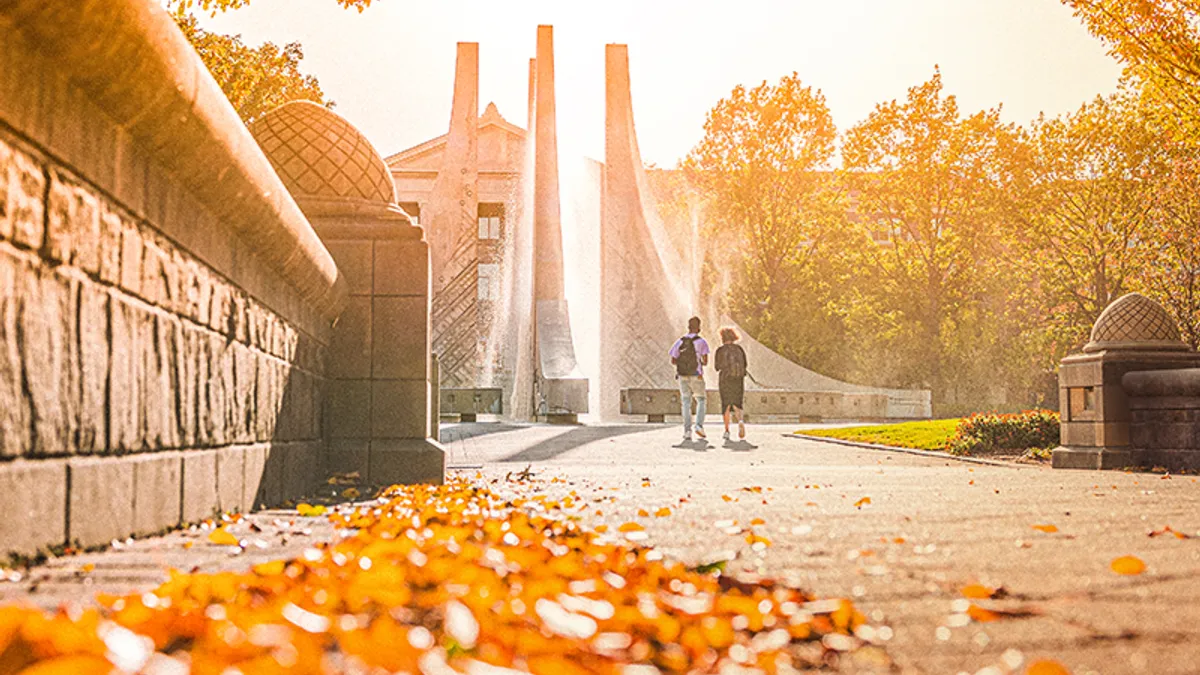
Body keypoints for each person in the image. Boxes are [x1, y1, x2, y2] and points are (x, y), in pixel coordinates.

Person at [669, 316, 710, 441]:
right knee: (701, 400)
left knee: (686, 403)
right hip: (696, 375)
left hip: (682, 376)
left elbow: (673, 360)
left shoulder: (680, 341)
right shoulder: (702, 342)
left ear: (688, 327)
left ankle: (687, 431)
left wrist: (683, 365)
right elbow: (705, 362)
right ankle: (698, 426)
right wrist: (697, 362)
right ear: (699, 327)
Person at [714, 327, 747, 441]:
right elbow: (745, 365)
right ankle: (740, 421)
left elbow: (717, 367)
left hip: (725, 379)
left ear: (722, 337)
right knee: (738, 403)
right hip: (738, 379)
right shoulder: (739, 349)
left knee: (726, 405)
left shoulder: (720, 350)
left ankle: (727, 430)